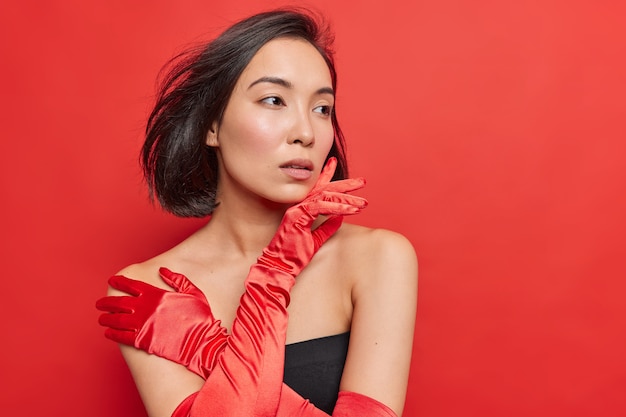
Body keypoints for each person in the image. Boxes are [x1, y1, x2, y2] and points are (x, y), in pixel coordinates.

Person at [96, 8, 417, 417]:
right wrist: (275, 275)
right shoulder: (147, 292)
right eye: (274, 100)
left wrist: (209, 349)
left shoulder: (378, 259)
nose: (305, 132)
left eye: (322, 108)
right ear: (211, 126)